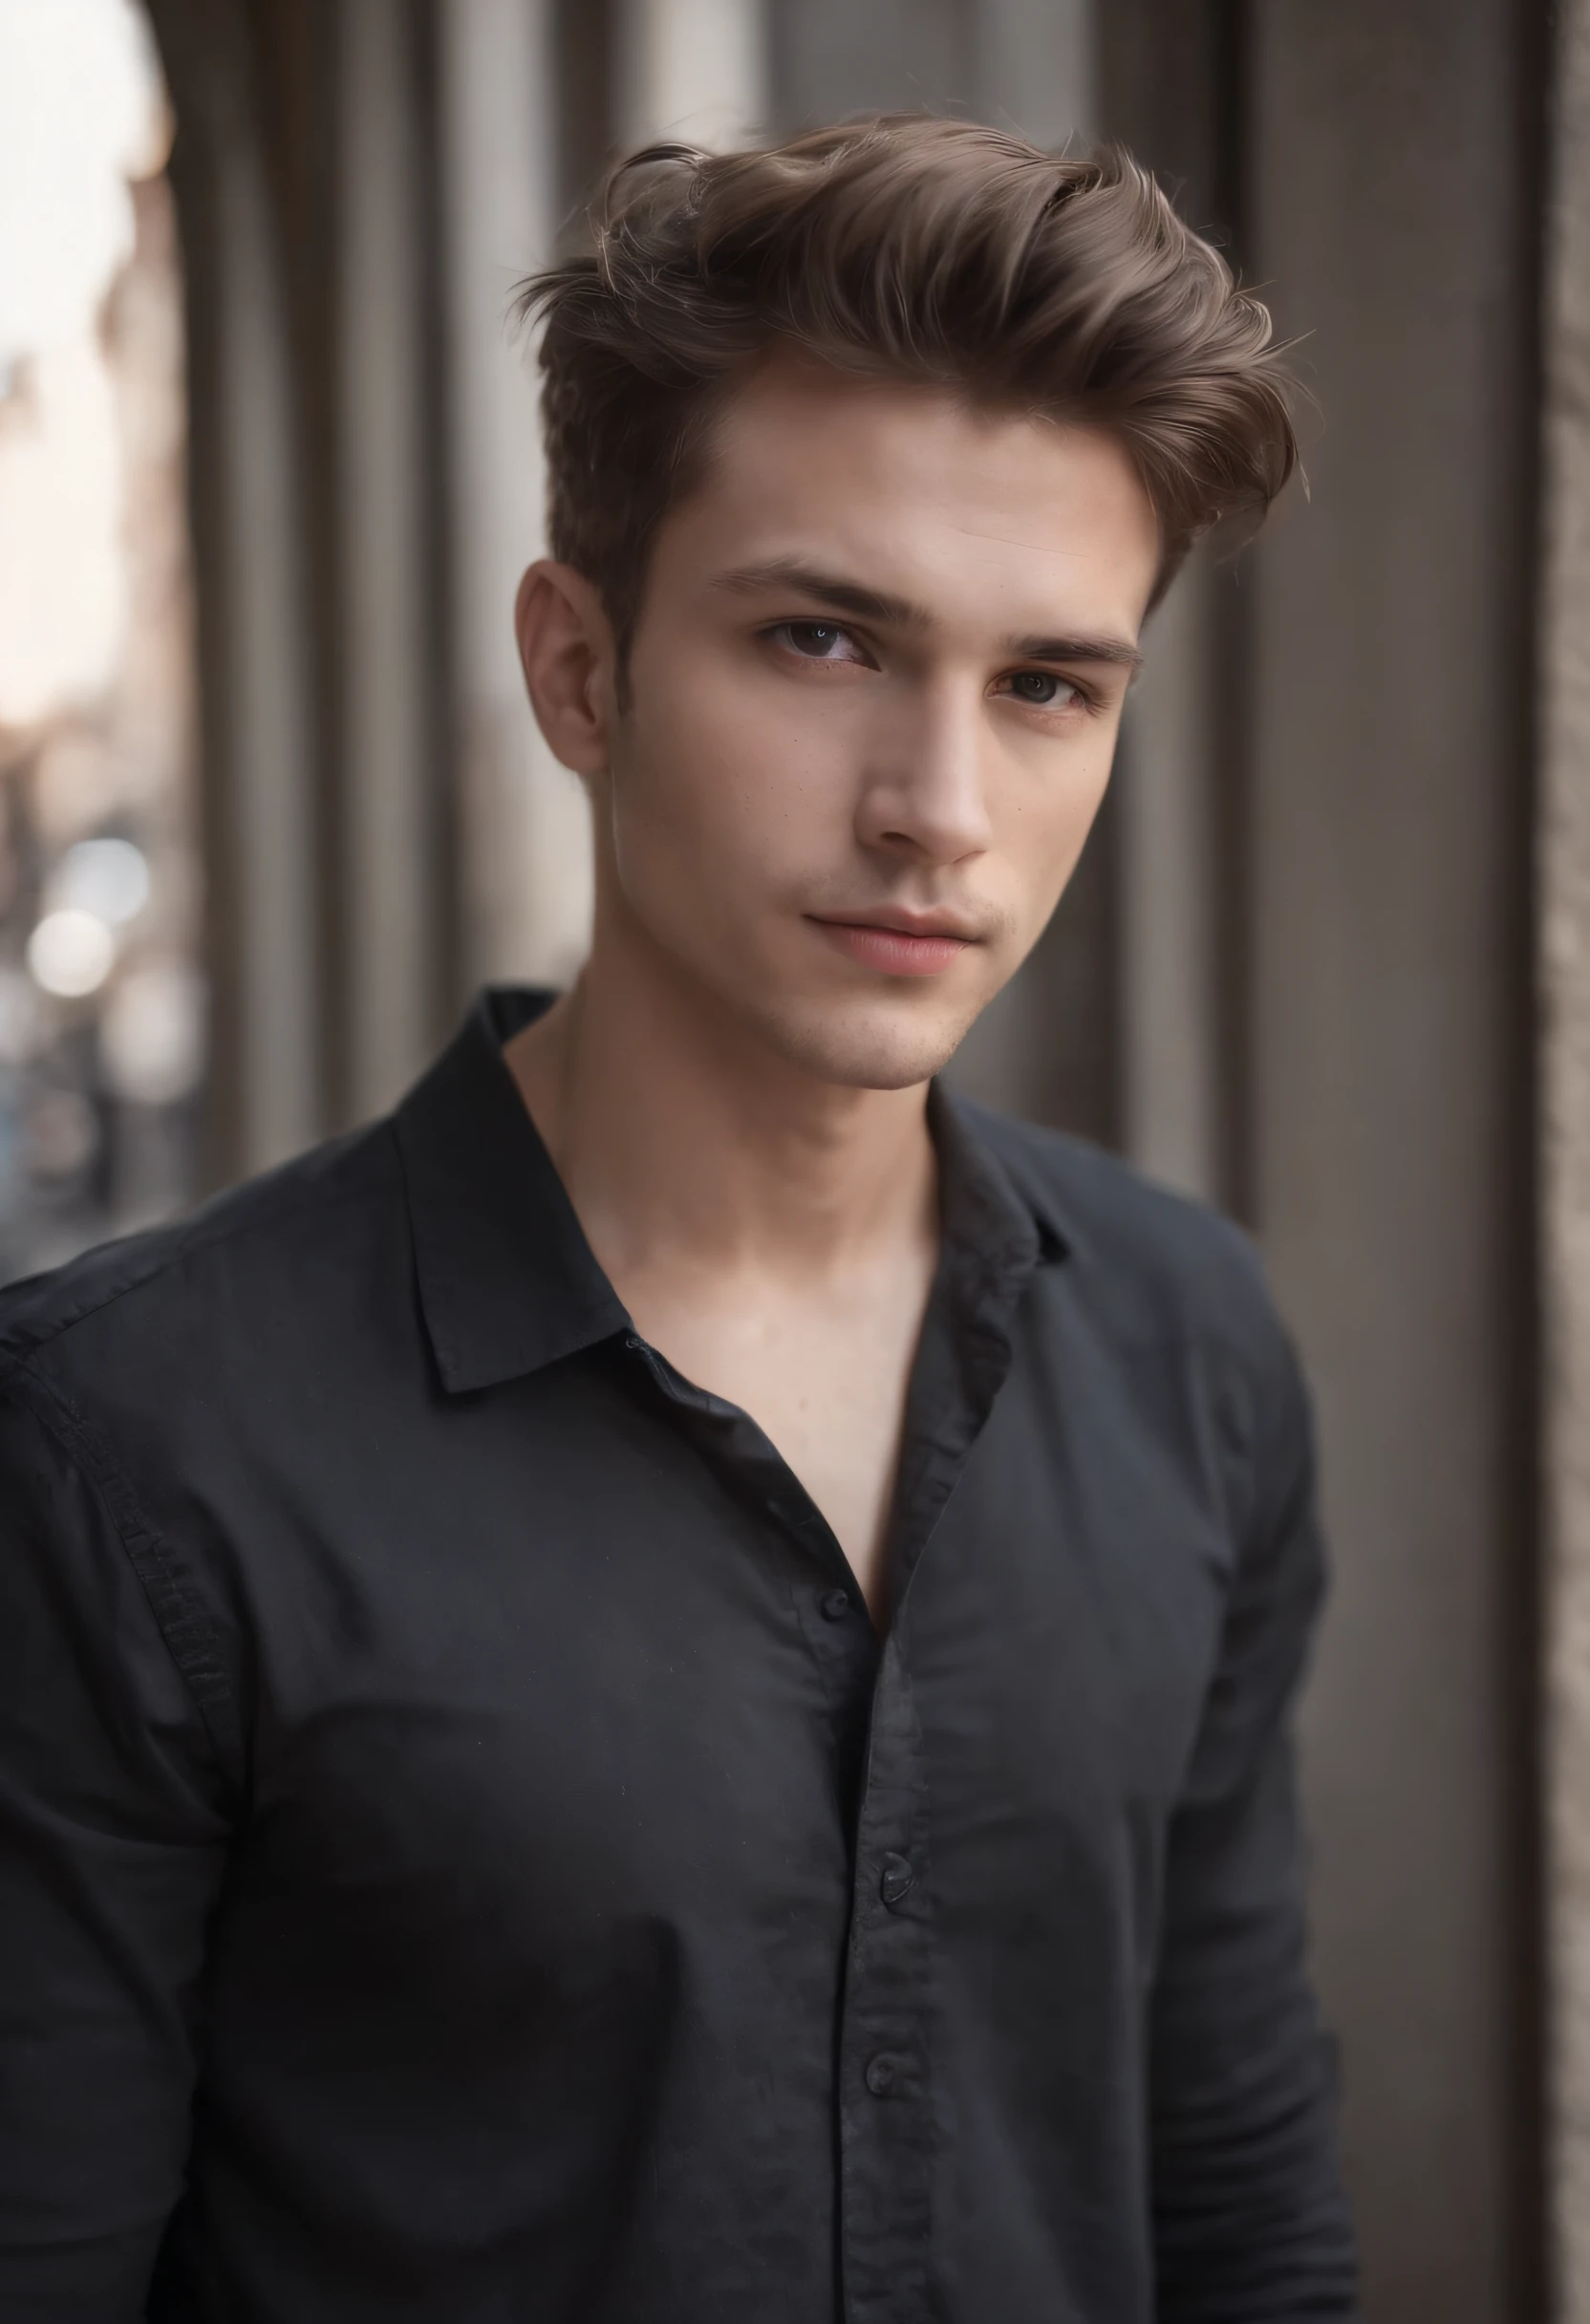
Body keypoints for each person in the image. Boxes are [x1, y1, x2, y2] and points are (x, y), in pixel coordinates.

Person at [0, 116, 1357, 2322]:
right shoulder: (126, 1449)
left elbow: (1233, 2193)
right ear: (580, 670)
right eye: (825, 641)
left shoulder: (1189, 1349)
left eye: (1044, 686)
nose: (940, 812)